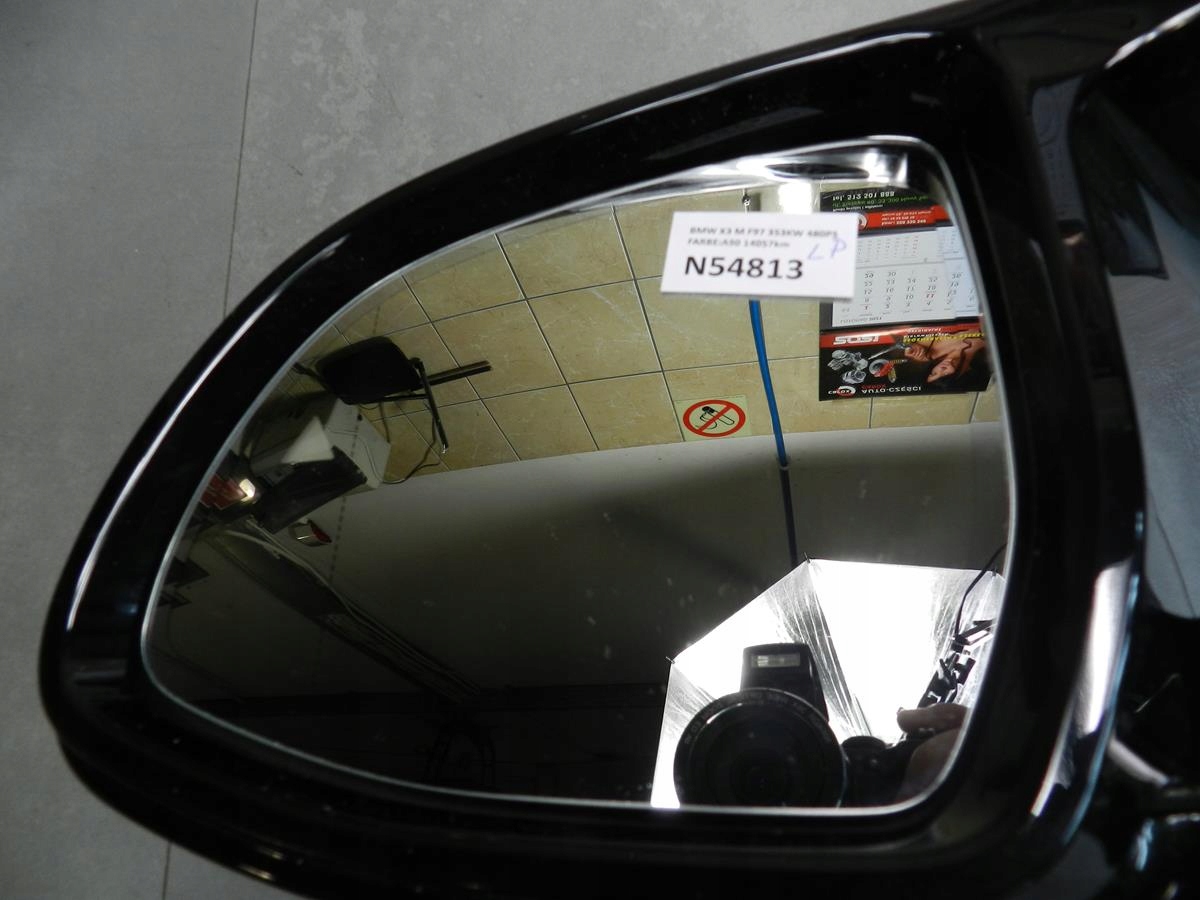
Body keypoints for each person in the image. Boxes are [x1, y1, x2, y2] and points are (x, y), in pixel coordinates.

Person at [903, 334, 988, 384]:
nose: (942, 369)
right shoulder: (984, 357)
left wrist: (907, 345)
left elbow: (903, 335)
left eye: (934, 373)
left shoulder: (928, 352)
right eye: (945, 376)